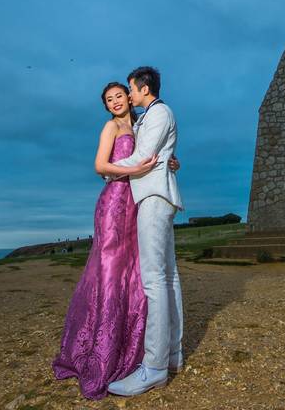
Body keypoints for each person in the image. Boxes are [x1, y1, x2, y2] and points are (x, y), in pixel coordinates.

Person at [51, 80, 180, 399]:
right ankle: (103, 347)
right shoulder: (110, 128)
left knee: (135, 275)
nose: (115, 102)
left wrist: (171, 163)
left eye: (120, 96)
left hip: (138, 204)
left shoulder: (145, 123)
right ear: (107, 106)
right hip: (113, 205)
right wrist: (134, 169)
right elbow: (100, 166)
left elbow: (158, 154)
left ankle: (135, 346)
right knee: (109, 271)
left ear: (130, 96)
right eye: (109, 100)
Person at [106, 66, 184, 396]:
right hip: (156, 196)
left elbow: (143, 157)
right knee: (168, 278)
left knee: (154, 280)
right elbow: (160, 154)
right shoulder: (150, 116)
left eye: (131, 89)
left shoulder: (159, 112)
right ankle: (172, 356)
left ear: (144, 89)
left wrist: (107, 171)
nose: (129, 93)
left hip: (153, 197)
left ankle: (152, 367)